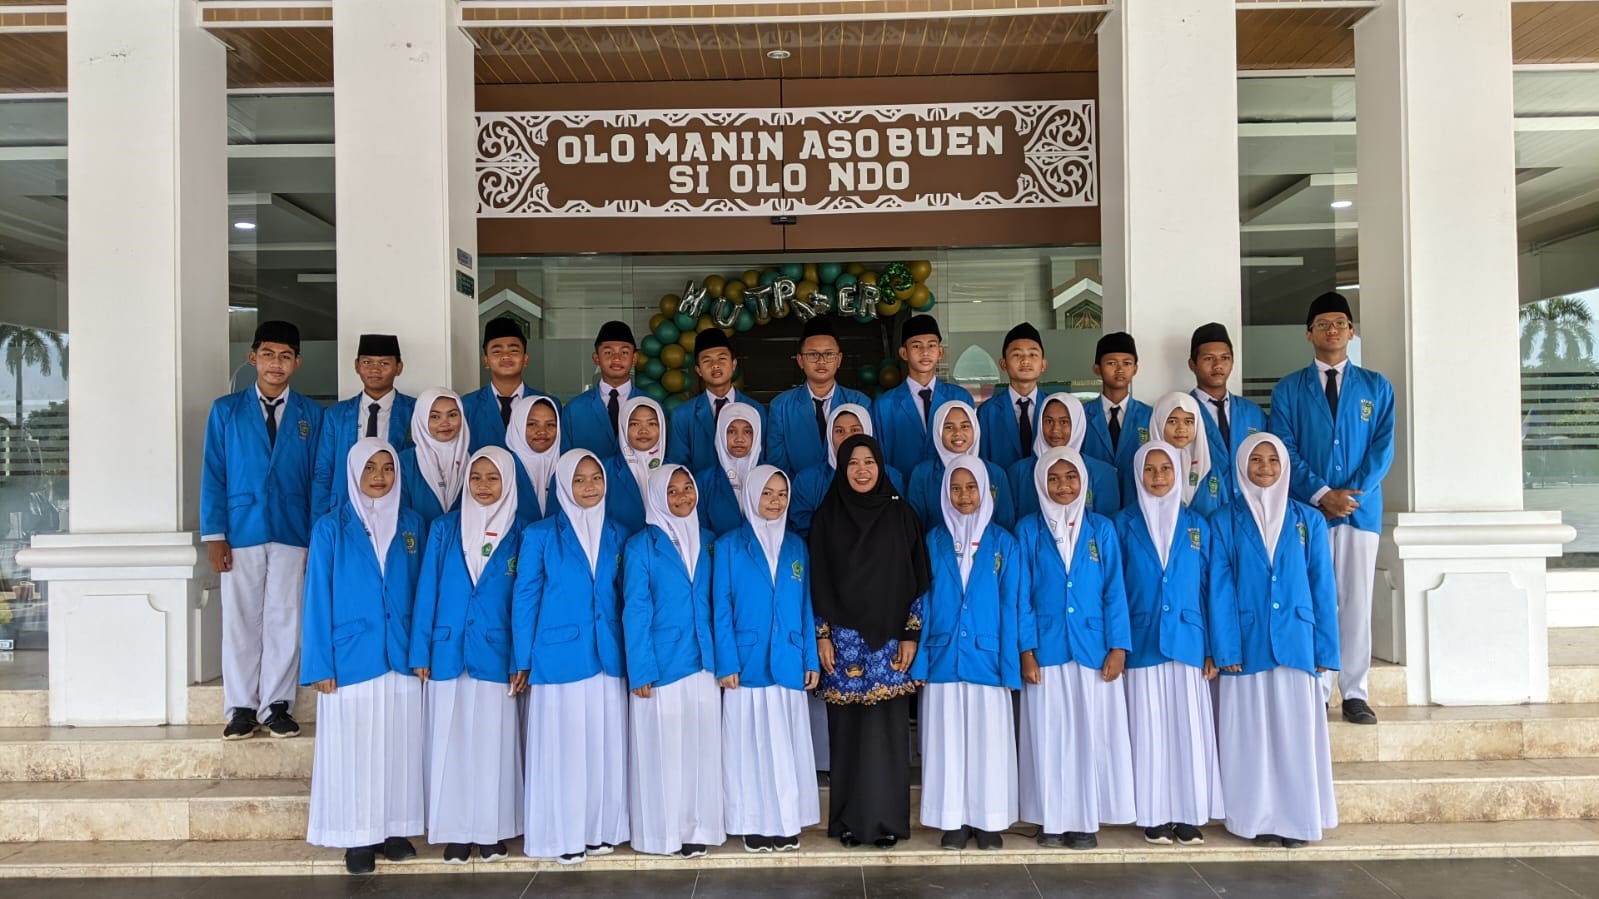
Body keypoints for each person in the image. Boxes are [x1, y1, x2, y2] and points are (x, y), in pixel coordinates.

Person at [1268, 291, 1394, 725]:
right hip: (1310, 514)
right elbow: (1283, 448)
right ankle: (1317, 688)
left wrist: (1350, 495)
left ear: (1352, 332)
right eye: (1322, 324)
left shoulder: (1376, 387)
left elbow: (1382, 449)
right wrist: (1322, 494)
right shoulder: (1289, 389)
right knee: (1315, 598)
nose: (1332, 330)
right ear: (1309, 334)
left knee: (1356, 603)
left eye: (1340, 323)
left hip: (1360, 513)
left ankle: (1355, 692)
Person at [1209, 433, 1340, 848]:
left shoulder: (1309, 520)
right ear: (1241, 465)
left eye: (1272, 460)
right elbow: (1219, 588)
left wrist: (1326, 648)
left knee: (1294, 737)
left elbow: (1323, 587)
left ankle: (1296, 820)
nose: (1264, 468)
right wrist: (1226, 647)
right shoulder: (1223, 520)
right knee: (1250, 738)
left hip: (1296, 641)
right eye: (1256, 460)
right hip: (1246, 645)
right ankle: (1255, 819)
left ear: (1284, 467)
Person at [301, 439, 425, 874]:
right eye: (370, 468)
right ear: (354, 472)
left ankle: (394, 830)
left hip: (401, 654)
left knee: (399, 746)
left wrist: (422, 649)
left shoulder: (411, 524)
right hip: (351, 656)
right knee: (353, 750)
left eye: (387, 468)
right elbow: (316, 598)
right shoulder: (330, 528)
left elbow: (421, 591)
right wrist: (319, 664)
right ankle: (357, 837)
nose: (379, 476)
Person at [201, 320, 323, 741]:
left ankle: (277, 705)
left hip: (294, 531)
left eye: (285, 356)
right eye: (268, 354)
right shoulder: (226, 410)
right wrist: (215, 535)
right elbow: (214, 474)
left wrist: (316, 537)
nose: (276, 363)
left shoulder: (312, 415)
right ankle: (241, 706)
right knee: (241, 621)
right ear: (253, 357)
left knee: (285, 618)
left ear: (297, 363)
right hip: (241, 530)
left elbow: (319, 478)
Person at [809, 435, 931, 850]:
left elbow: (917, 580)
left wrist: (911, 635)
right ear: (841, 468)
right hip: (843, 643)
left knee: (888, 735)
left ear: (881, 466)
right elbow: (817, 583)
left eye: (869, 462)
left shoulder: (901, 515)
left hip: (890, 644)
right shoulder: (826, 518)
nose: (861, 470)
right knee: (847, 735)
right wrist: (822, 636)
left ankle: (887, 822)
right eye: (853, 463)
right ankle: (848, 821)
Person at [512, 450, 630, 865]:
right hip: (558, 657)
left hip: (607, 655)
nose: (589, 486)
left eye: (595, 478)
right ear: (563, 485)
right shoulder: (541, 535)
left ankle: (597, 830)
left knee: (602, 746)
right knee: (563, 751)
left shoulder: (617, 532)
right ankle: (563, 835)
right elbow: (525, 596)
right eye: (578, 480)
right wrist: (521, 658)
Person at [408, 447, 525, 864]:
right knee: (450, 745)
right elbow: (427, 590)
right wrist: (420, 648)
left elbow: (523, 601)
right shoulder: (444, 528)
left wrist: (520, 658)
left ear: (508, 481)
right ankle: (456, 832)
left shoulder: (521, 531)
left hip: (496, 652)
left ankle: (490, 831)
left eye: (493, 478)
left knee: (493, 747)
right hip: (447, 651)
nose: (483, 486)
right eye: (476, 477)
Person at [1015, 447, 1135, 851]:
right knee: (1049, 736)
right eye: (1053, 478)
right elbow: (1022, 596)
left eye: (1070, 478)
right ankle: (1052, 820)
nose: (1063, 486)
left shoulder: (1102, 529)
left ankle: (1084, 820)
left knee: (1089, 735)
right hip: (1047, 650)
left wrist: (1118, 647)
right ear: (1041, 483)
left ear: (1084, 482)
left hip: (1093, 649)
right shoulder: (1028, 530)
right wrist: (1026, 649)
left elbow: (1114, 591)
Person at [911, 456, 1027, 851]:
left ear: (985, 491)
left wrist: (1010, 668)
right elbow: (923, 604)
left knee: (988, 744)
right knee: (946, 743)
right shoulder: (933, 541)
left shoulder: (1004, 543)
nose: (964, 495)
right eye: (956, 488)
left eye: (971, 487)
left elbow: (1011, 607)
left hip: (987, 659)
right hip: (942, 657)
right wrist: (921, 661)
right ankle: (953, 820)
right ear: (945, 493)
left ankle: (988, 821)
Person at [1116, 441, 1224, 847]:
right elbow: (1116, 589)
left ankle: (1188, 813)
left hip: (1188, 639)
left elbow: (1211, 588)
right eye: (1150, 469)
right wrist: (1117, 643)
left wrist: (1213, 647)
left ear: (1178, 473)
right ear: (1138, 474)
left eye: (1166, 469)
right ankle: (1155, 814)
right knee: (1149, 728)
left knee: (1187, 729)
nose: (1158, 477)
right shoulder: (1123, 523)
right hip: (1142, 639)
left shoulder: (1198, 525)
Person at [713, 466, 821, 853]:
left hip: (788, 659)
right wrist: (726, 662)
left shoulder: (796, 546)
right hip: (747, 663)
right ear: (751, 496)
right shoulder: (729, 545)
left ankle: (786, 821)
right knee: (749, 749)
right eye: (767, 493)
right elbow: (721, 608)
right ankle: (753, 824)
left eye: (781, 494)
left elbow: (805, 605)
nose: (775, 501)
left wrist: (810, 657)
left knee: (786, 747)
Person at [622, 466, 725, 859]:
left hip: (703, 661)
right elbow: (635, 609)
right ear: (656, 497)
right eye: (672, 491)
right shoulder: (641, 546)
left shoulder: (710, 540)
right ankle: (662, 833)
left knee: (700, 748)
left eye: (687, 488)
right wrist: (641, 669)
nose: (682, 497)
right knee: (662, 751)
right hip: (661, 664)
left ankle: (696, 828)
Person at [311, 334, 416, 517]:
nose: (375, 369)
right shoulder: (336, 415)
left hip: (397, 508)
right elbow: (323, 472)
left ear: (399, 368)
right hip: (345, 507)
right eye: (367, 362)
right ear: (357, 366)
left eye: (384, 363)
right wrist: (318, 522)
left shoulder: (415, 411)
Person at [765, 317, 871, 474]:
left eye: (829, 354)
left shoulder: (859, 402)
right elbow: (778, 465)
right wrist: (803, 487)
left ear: (839, 359)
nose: (821, 361)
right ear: (800, 360)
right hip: (798, 488)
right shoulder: (781, 406)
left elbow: (868, 454)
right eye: (813, 354)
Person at [787, 403, 906, 537]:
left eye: (855, 430)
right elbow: (802, 528)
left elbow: (897, 521)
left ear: (867, 431)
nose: (847, 437)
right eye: (839, 431)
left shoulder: (891, 477)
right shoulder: (807, 480)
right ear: (830, 436)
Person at [873, 315, 968, 478]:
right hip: (902, 487)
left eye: (931, 345)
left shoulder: (959, 398)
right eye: (916, 346)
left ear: (940, 352)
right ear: (904, 353)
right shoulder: (885, 405)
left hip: (951, 486)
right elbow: (880, 457)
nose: (925, 352)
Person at [1008, 393, 1121, 519]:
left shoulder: (1103, 473)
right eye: (1049, 421)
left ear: (1077, 424)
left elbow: (1105, 525)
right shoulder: (1018, 472)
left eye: (1064, 422)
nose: (1055, 429)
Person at [907, 401, 1015, 533]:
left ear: (975, 429)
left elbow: (1006, 524)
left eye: (965, 426)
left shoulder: (995, 473)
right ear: (937, 431)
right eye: (948, 427)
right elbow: (915, 526)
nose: (957, 433)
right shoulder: (922, 474)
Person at [667, 328, 765, 472]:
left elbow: (763, 462)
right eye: (707, 360)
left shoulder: (756, 410)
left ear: (734, 364)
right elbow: (678, 467)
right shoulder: (682, 415)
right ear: (698, 370)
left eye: (722, 358)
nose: (715, 365)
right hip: (699, 486)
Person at [1188, 323, 1266, 502]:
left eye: (1225, 358)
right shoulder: (1182, 413)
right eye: (1209, 358)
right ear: (1192, 365)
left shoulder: (1253, 413)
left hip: (1249, 507)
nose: (1218, 365)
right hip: (1201, 509)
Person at [462, 316, 558, 453]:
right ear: (486, 361)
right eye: (497, 351)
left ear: (525, 359)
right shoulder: (467, 406)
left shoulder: (549, 404)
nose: (506, 356)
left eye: (513, 350)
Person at [1079, 331, 1152, 509]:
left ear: (1135, 369)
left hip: (1138, 505)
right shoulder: (1081, 416)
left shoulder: (1150, 416)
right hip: (1094, 506)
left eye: (1127, 363)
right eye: (1111, 363)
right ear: (1097, 368)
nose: (1120, 370)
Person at [976, 323, 1050, 471]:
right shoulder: (987, 412)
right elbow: (983, 464)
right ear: (1003, 364)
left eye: (1033, 354)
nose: (1025, 360)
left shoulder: (1054, 407)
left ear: (1043, 364)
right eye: (1017, 355)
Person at [562, 320, 637, 457]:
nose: (616, 358)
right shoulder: (574, 409)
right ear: (596, 358)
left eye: (624, 352)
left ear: (634, 358)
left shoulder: (652, 406)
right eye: (608, 352)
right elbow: (565, 460)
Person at [399, 389, 470, 532]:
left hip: (460, 543)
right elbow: (402, 515)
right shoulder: (404, 462)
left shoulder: (474, 461)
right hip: (418, 542)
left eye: (452, 415)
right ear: (421, 419)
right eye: (435, 416)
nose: (445, 423)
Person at [1150, 392, 1223, 518]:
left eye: (1189, 421)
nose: (1181, 429)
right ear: (1158, 423)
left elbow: (1223, 518)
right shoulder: (1142, 470)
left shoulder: (1211, 470)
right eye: (1172, 421)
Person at [696, 402, 764, 536]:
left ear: (756, 435)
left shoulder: (771, 479)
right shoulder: (703, 481)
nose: (739, 439)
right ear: (721, 434)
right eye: (731, 431)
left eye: (747, 432)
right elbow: (701, 531)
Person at [603, 396, 667, 534]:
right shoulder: (604, 470)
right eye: (634, 424)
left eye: (651, 423)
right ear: (623, 427)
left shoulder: (675, 470)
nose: (643, 430)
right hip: (619, 544)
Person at [505, 395, 561, 525]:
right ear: (517, 425)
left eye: (550, 425)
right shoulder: (503, 469)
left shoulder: (569, 469)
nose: (542, 431)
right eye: (531, 424)